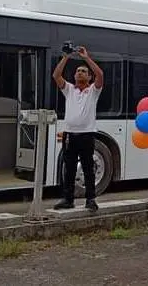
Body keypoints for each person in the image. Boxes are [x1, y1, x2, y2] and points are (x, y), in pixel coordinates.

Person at [52, 46, 105, 212]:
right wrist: (66, 57)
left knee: (88, 168)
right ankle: (68, 199)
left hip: (87, 134)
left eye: (83, 71)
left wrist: (86, 58)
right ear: (74, 76)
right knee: (69, 168)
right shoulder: (69, 89)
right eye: (78, 71)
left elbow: (101, 75)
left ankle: (90, 199)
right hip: (70, 135)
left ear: (88, 77)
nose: (80, 73)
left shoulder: (93, 91)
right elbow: (56, 75)